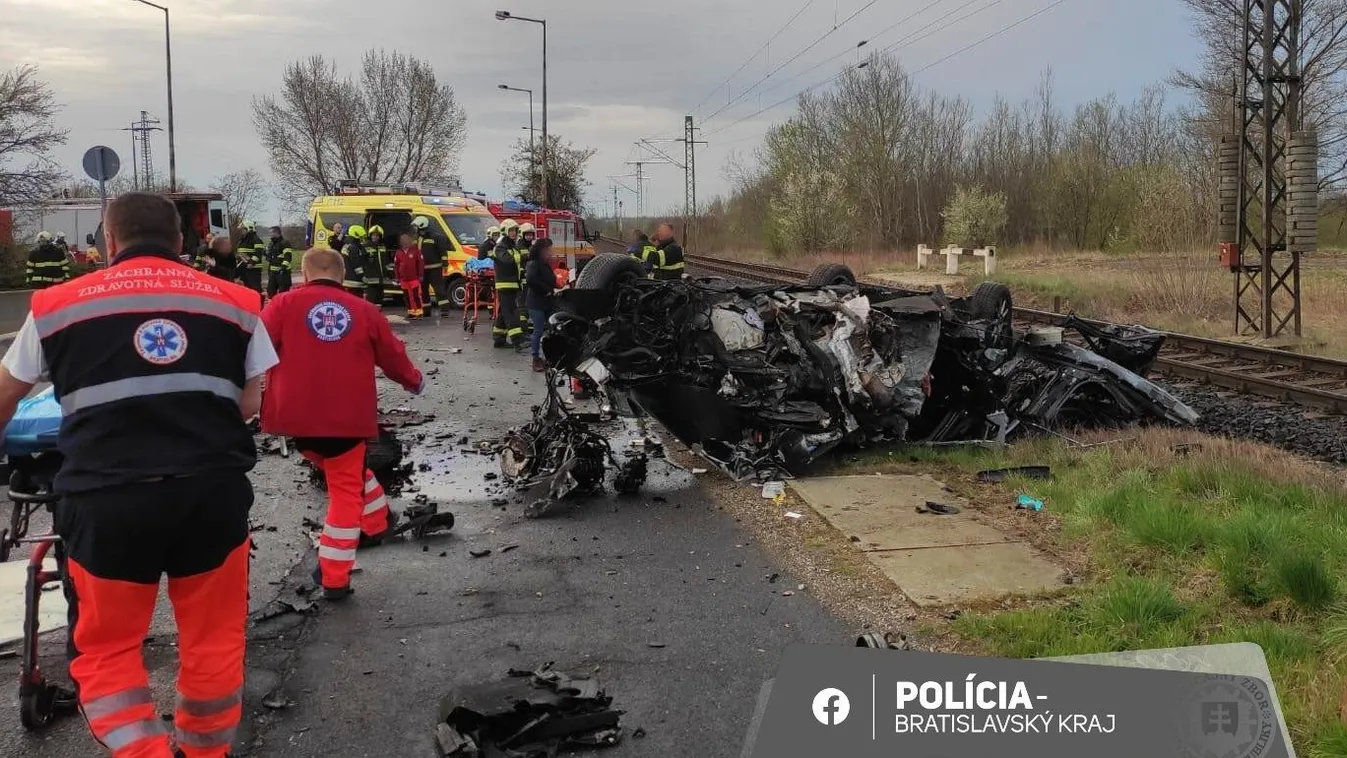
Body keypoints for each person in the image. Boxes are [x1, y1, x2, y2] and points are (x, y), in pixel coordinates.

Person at [0, 191, 276, 758]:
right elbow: (249, 405)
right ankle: (203, 751)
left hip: (106, 499)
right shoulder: (238, 301)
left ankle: (142, 752)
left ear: (108, 239)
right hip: (210, 495)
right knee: (213, 639)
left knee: (106, 647)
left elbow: (6, 395)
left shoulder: (57, 305)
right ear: (181, 241)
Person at [260, 247, 423, 599]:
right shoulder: (364, 310)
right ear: (341, 272)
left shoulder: (281, 305)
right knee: (345, 491)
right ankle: (335, 577)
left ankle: (377, 522)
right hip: (346, 417)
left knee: (344, 470)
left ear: (303, 273)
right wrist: (415, 382)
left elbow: (253, 350)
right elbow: (392, 355)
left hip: (297, 419)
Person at [524, 238, 557, 372]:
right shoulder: (534, 264)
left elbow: (550, 279)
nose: (551, 252)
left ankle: (547, 357)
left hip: (547, 303)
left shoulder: (545, 264)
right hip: (536, 303)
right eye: (549, 249)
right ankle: (535, 358)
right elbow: (531, 279)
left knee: (550, 329)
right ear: (543, 250)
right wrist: (545, 290)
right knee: (538, 330)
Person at [491, 219, 524, 348]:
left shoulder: (512, 246)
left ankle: (499, 339)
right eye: (511, 231)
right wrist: (521, 257)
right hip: (505, 284)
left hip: (512, 283)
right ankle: (518, 340)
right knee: (511, 312)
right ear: (505, 231)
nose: (514, 233)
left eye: (515, 230)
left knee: (503, 311)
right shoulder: (500, 247)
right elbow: (507, 261)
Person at [411, 216, 450, 316]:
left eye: (416, 227)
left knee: (439, 290)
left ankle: (444, 311)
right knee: (424, 291)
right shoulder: (416, 238)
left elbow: (443, 251)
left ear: (421, 226)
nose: (415, 229)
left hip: (435, 268)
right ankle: (426, 311)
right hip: (422, 270)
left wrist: (445, 263)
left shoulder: (435, 237)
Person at [394, 233, 426, 319]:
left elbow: (421, 263)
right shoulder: (398, 252)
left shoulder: (415, 251)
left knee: (416, 295)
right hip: (403, 279)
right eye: (402, 240)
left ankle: (419, 312)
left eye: (406, 240)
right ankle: (411, 312)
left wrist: (421, 275)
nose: (404, 242)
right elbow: (396, 265)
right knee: (406, 297)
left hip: (414, 278)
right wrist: (397, 277)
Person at [236, 220, 266, 294]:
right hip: (244, 268)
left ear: (248, 229)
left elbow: (258, 253)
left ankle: (259, 304)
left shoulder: (256, 240)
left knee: (255, 289)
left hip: (253, 269)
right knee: (246, 289)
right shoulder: (242, 240)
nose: (241, 231)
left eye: (243, 229)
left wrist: (251, 263)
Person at [266, 226, 296, 298]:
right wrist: (266, 254)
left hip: (283, 273)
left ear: (276, 233)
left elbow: (288, 257)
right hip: (272, 273)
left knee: (283, 294)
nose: (270, 234)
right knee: (270, 292)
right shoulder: (271, 244)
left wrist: (282, 268)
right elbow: (269, 257)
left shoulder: (285, 243)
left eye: (271, 232)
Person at [363, 225, 389, 307]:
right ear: (370, 236)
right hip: (371, 279)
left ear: (380, 237)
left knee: (379, 301)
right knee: (370, 301)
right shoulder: (365, 247)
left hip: (381, 280)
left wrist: (388, 274)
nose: (375, 237)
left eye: (377, 235)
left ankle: (377, 317)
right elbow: (362, 262)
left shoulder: (383, 247)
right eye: (373, 235)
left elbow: (385, 262)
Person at [339, 225, 368, 296]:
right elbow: (356, 263)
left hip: (347, 279)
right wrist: (362, 276)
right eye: (361, 237)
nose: (362, 239)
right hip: (354, 281)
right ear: (356, 237)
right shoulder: (354, 248)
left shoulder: (347, 245)